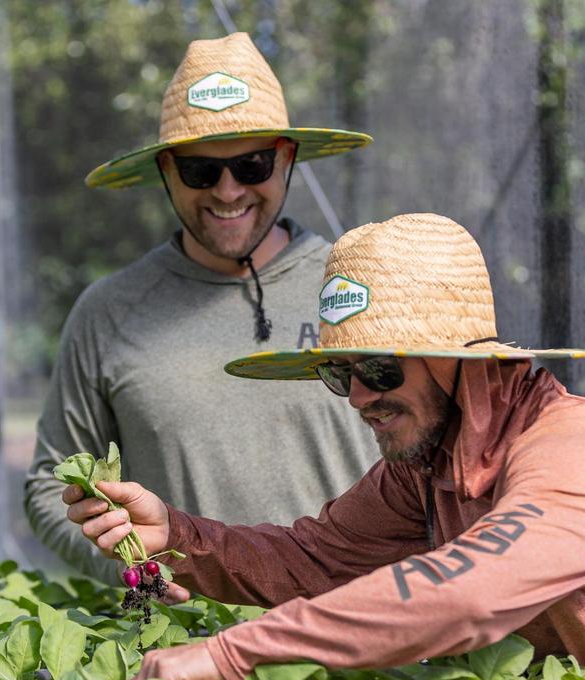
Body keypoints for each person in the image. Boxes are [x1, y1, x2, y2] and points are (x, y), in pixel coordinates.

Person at [64, 213, 585, 680]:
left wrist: (229, 654)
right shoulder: (430, 464)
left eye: (382, 370)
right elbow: (314, 558)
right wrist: (179, 535)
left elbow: (462, 593)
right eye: (343, 374)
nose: (362, 397)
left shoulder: (581, 449)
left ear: (461, 362)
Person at [25, 32, 379, 579]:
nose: (228, 190)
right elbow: (52, 482)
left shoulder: (363, 282)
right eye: (200, 171)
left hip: (354, 635)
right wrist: (127, 565)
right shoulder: (109, 312)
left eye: (252, 165)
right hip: (181, 640)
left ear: (286, 158)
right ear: (167, 170)